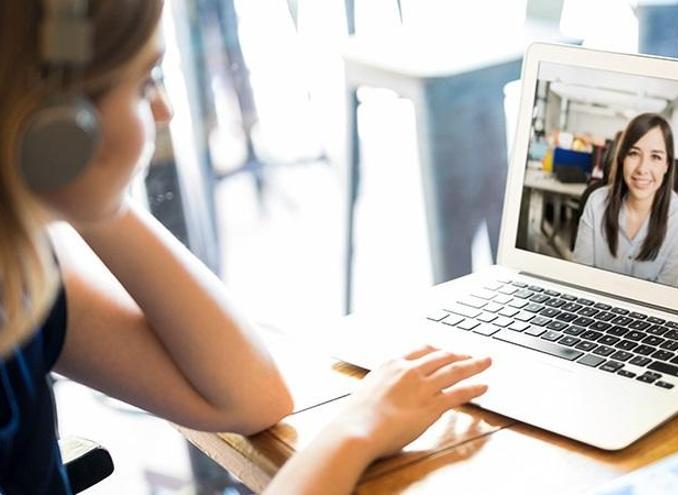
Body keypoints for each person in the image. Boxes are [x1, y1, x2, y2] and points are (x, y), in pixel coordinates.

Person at [0, 1, 490, 494]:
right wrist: (355, 431)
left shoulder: (19, 271)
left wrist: (79, 185)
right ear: (61, 122)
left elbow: (248, 396)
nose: (164, 110)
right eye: (146, 82)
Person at [572, 113, 678, 287]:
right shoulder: (597, 203)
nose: (642, 168)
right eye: (634, 153)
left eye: (656, 157)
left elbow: (665, 297)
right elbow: (579, 278)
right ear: (622, 158)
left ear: (667, 165)